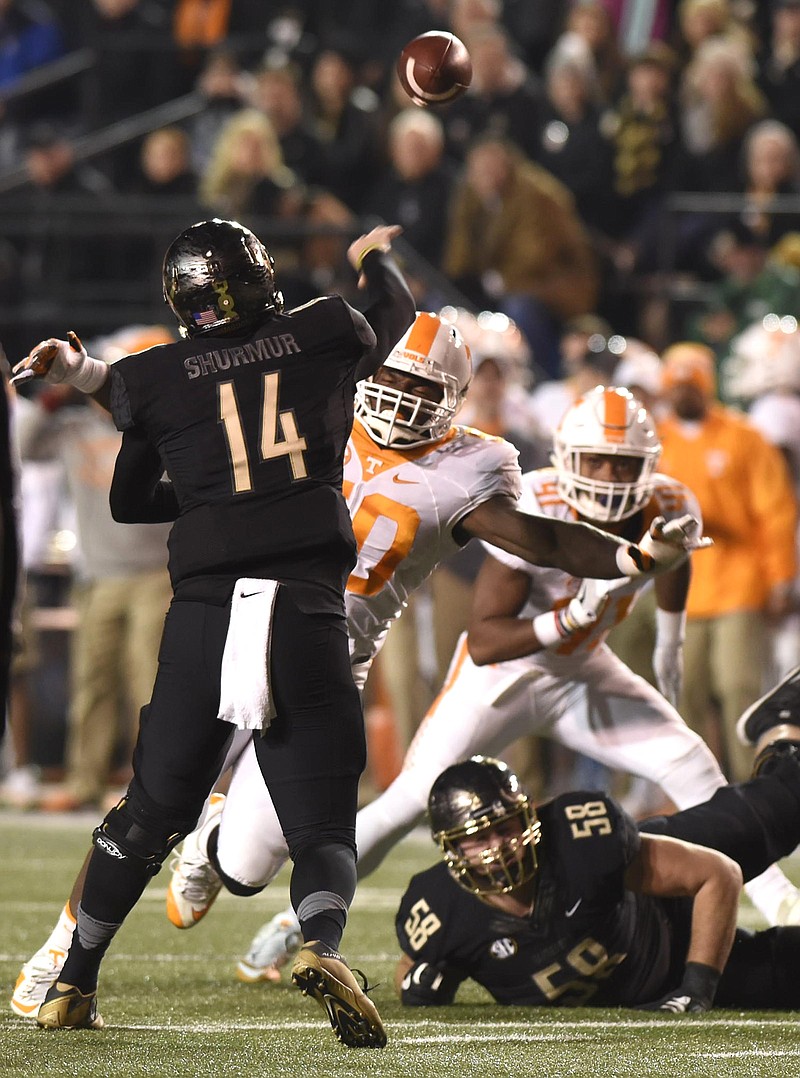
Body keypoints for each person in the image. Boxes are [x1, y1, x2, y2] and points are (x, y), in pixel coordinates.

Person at [11, 330, 704, 1012]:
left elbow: (542, 538)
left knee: (247, 867)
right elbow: (183, 413)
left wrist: (632, 560)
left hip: (329, 660)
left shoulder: (473, 466)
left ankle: (216, 840)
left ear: (455, 400)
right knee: (148, 812)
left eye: (423, 387)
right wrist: (93, 377)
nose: (401, 397)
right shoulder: (309, 407)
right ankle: (61, 952)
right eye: (394, 378)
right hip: (235, 623)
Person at [8, 216, 417, 1049]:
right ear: (263, 278)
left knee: (152, 811)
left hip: (205, 611)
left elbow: (126, 491)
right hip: (304, 606)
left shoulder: (154, 377)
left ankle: (74, 979)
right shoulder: (327, 331)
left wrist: (84, 371)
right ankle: (323, 945)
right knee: (323, 822)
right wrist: (372, 253)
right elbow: (397, 309)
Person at [394, 674, 800, 1012]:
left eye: (506, 828)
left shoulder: (579, 840)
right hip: (657, 975)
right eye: (479, 838)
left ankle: (780, 724)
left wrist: (697, 989)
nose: (499, 847)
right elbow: (410, 967)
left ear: (528, 817)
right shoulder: (438, 910)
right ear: (452, 850)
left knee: (788, 802)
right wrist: (420, 985)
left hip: (657, 885)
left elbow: (718, 874)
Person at [657, 342, 798, 781]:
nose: (685, 395)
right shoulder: (656, 440)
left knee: (739, 688)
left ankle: (756, 788)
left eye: (691, 386)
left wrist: (781, 579)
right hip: (682, 588)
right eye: (677, 387)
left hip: (740, 583)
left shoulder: (744, 437)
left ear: (708, 386)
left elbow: (775, 512)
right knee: (687, 694)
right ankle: (706, 791)